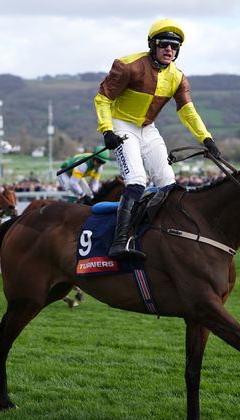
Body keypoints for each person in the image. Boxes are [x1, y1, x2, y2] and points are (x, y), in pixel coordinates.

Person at [94, 18, 221, 260]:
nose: (169, 50)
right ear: (153, 45)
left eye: (174, 47)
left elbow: (187, 111)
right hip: (122, 124)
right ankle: (119, 242)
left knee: (168, 183)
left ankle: (156, 235)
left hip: (148, 129)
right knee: (137, 180)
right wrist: (107, 130)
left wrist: (206, 138)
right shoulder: (127, 65)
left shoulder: (178, 77)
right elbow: (102, 99)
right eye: (164, 45)